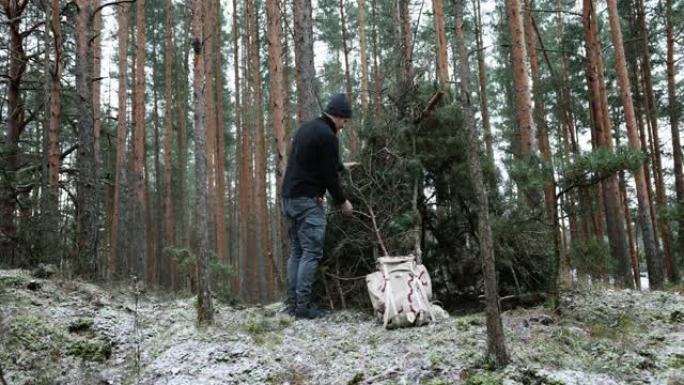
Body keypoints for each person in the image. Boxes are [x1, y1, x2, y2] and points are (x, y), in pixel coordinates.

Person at [281, 93, 354, 319]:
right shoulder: (328, 136)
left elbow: (317, 161)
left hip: (289, 197)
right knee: (311, 253)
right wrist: (342, 201)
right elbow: (328, 175)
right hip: (308, 201)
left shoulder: (308, 128)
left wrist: (341, 166)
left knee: (297, 251)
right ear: (339, 117)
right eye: (344, 121)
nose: (343, 126)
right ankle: (304, 307)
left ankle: (293, 305)